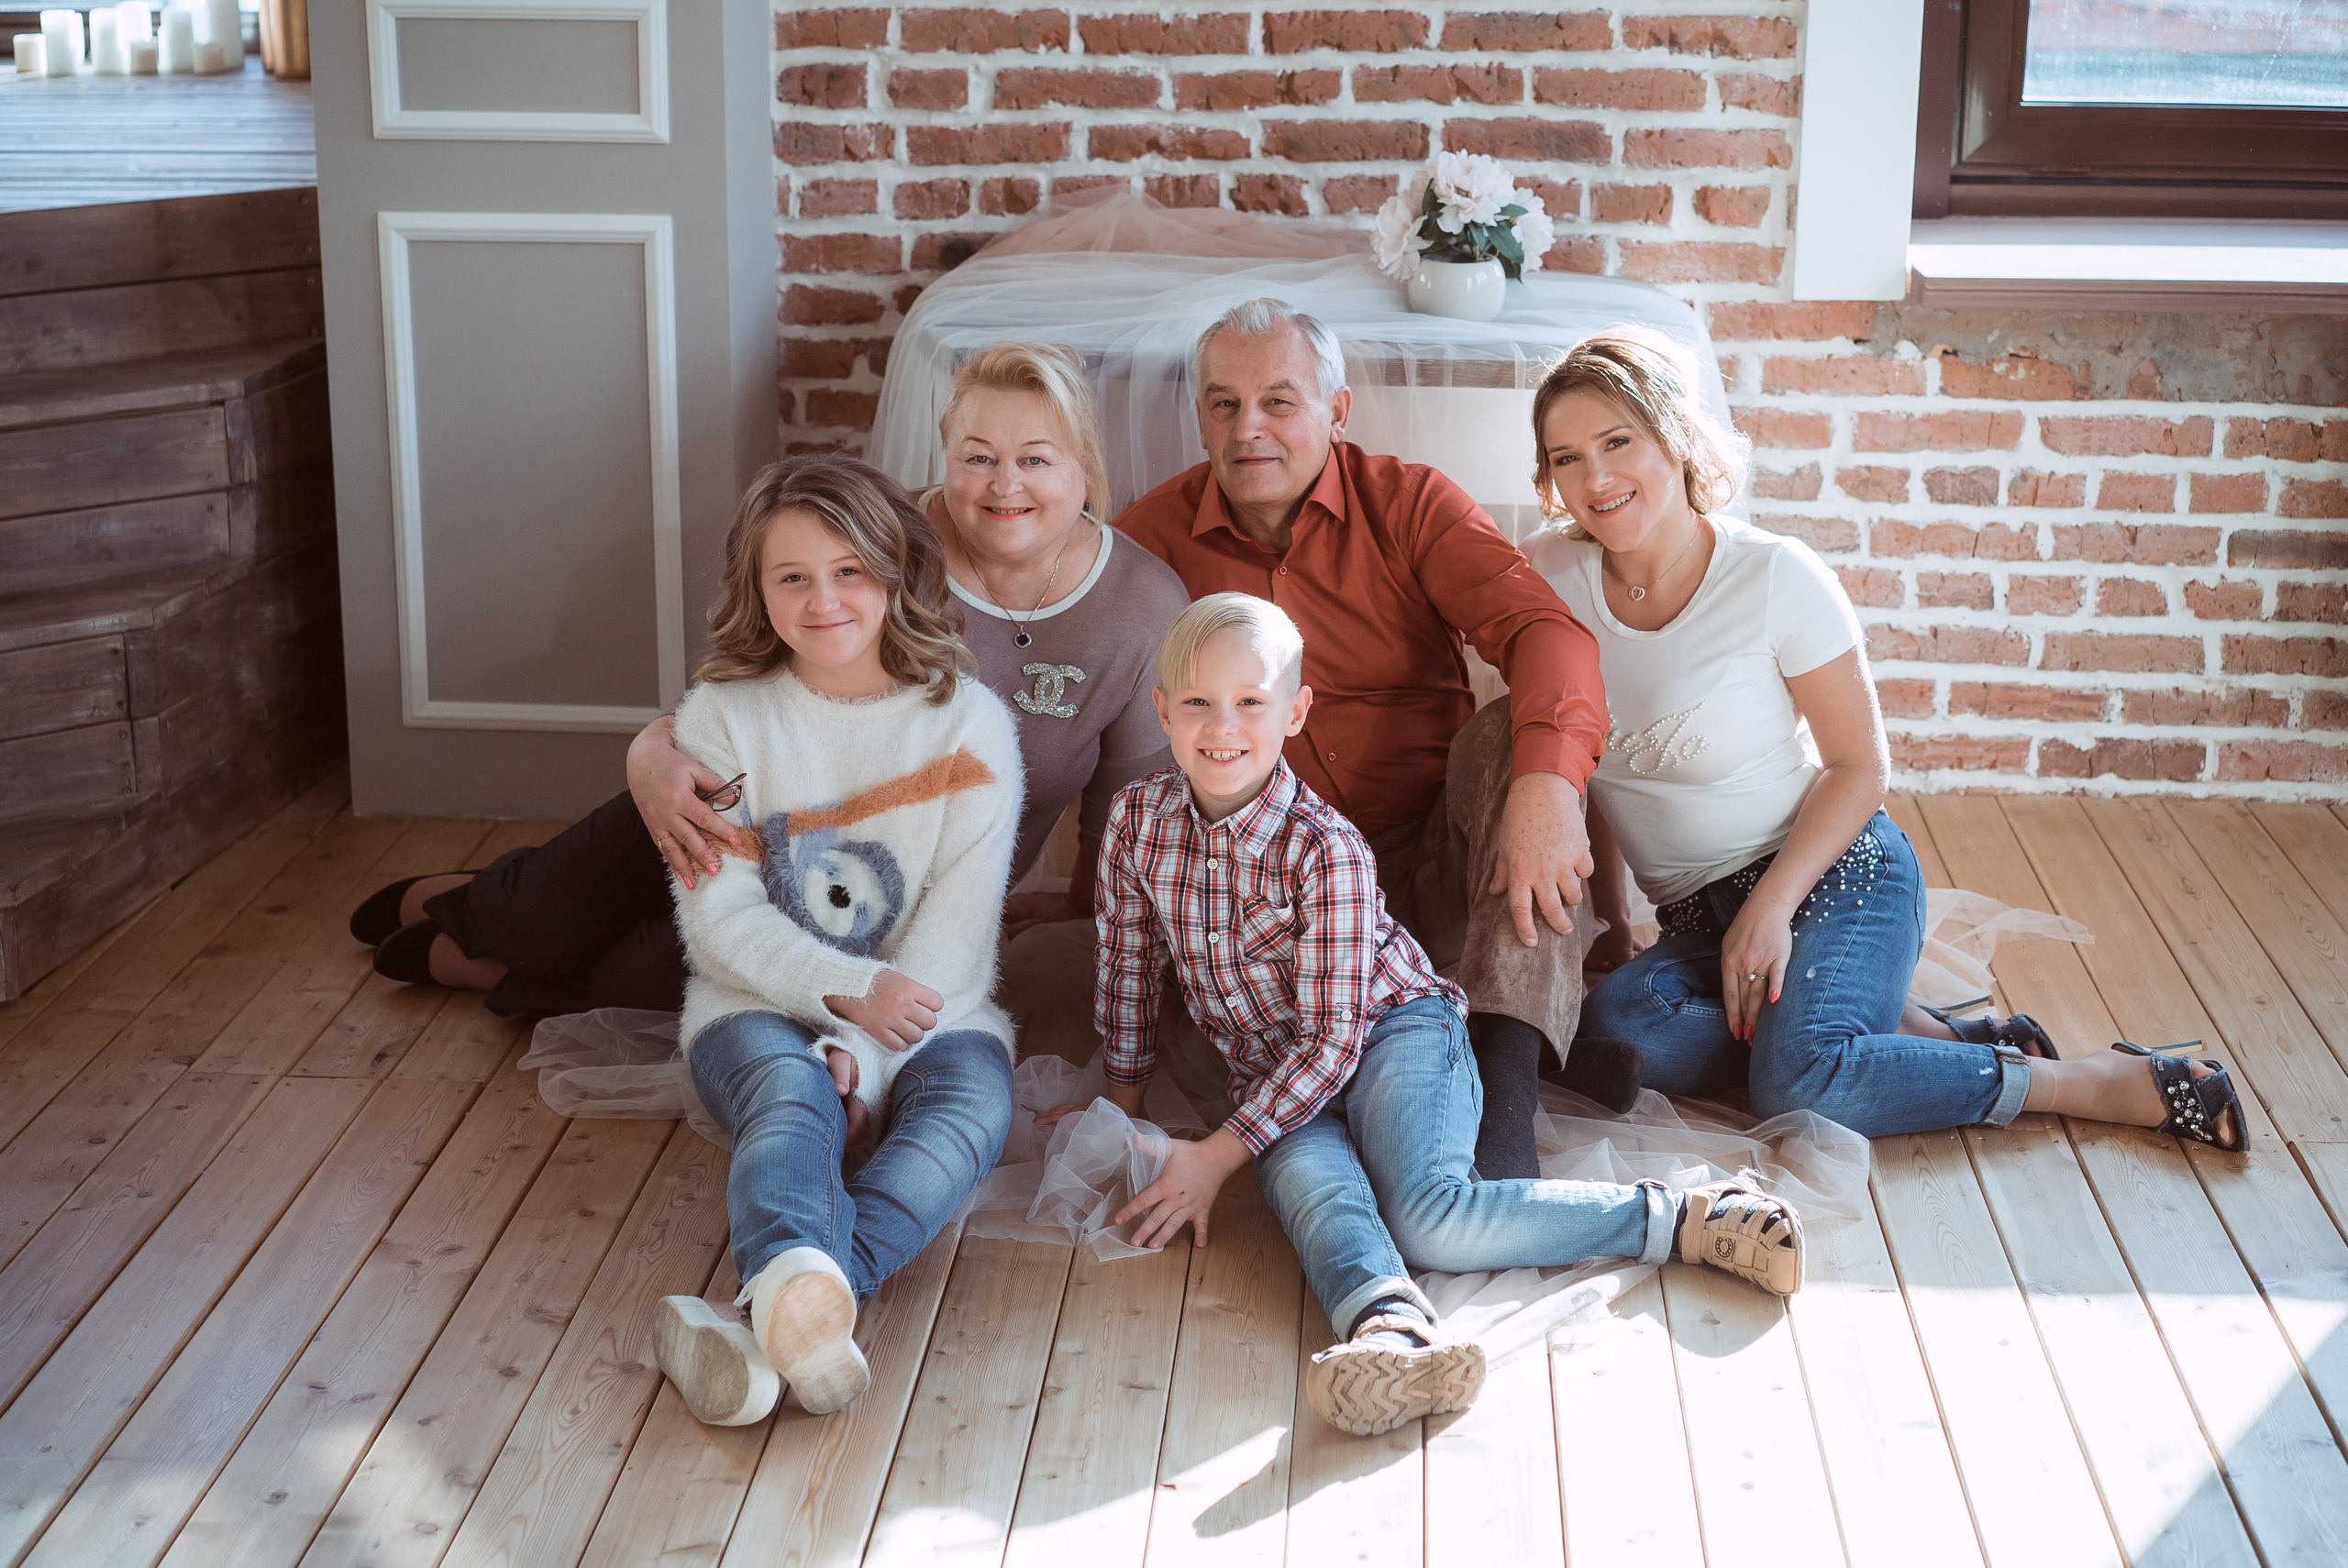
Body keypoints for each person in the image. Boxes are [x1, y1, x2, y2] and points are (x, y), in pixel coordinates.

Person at [1061, 592, 1805, 1439]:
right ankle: (1391, 1333)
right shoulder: (1137, 821)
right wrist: (1120, 1106)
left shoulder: (1324, 847)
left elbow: (1334, 1038)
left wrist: (1218, 1155)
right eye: (1197, 701)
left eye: (1250, 702)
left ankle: (1682, 1218)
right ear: (1162, 711)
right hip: (1270, 1069)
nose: (1221, 726)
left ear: (1295, 712)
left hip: (1391, 1030)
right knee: (1314, 1190)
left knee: (1429, 1216)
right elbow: (1127, 964)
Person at [1528, 330, 2245, 1153]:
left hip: (1832, 871)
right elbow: (1572, 766)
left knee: (1797, 1085)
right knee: (1614, 1036)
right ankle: (1894, 1031)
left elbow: (1861, 767)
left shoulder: (1776, 576)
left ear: (1677, 436)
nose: (1596, 479)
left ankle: (2082, 1082)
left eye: (1617, 442)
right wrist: (1611, 922)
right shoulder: (1548, 577)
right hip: (1696, 920)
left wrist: (1771, 910)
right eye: (1566, 458)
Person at [346, 344, 1188, 1020]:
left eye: (1036, 458)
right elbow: (751, 666)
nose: (1005, 485)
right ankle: (485, 905)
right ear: (946, 457)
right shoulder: (883, 540)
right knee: (543, 920)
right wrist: (651, 753)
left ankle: (480, 964)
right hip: (737, 802)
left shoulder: (1141, 607)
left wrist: (1077, 902)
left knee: (658, 982)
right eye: (978, 457)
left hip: (878, 890)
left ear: (1085, 466)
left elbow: (1133, 807)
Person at [1112, 297, 1627, 1182]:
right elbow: (1101, 697)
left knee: (1513, 736)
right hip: (1272, 907)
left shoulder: (1411, 503)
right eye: (1224, 404)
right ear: (1200, 418)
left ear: (1337, 411)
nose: (1248, 428)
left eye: (1279, 401)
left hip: (1436, 866)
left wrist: (1547, 786)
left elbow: (1549, 636)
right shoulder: (1150, 539)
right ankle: (1502, 1048)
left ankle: (1506, 1103)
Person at [642, 454, 1025, 1427]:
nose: (823, 601)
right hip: (752, 1006)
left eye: (849, 570)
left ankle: (769, 1317)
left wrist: (864, 1049)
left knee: (971, 1113)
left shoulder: (970, 724)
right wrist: (839, 1007)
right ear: (756, 588)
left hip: (937, 1009)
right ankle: (792, 1299)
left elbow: (955, 937)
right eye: (793, 577)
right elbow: (722, 922)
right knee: (791, 1091)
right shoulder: (723, 718)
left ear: (896, 571)